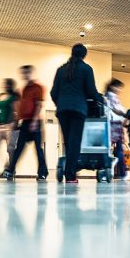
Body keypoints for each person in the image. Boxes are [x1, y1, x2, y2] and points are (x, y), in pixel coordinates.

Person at [50, 43, 103, 183]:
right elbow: (91, 91)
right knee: (74, 142)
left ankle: (69, 172)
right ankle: (70, 175)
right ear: (84, 55)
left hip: (62, 110)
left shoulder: (61, 70)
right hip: (78, 109)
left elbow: (53, 92)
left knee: (68, 142)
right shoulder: (86, 69)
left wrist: (60, 103)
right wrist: (101, 99)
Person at [3, 65, 48, 181]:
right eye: (23, 74)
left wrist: (34, 121)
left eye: (27, 73)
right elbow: (21, 108)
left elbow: (38, 105)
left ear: (31, 73)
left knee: (38, 148)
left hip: (35, 122)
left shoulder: (38, 87)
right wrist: (17, 121)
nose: (25, 76)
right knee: (19, 148)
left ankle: (43, 172)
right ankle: (11, 170)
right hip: (25, 122)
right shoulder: (23, 89)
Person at [0, 78, 20, 168]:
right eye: (4, 84)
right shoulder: (1, 97)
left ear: (11, 86)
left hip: (10, 125)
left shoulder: (13, 97)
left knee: (10, 148)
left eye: (7, 84)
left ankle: (11, 167)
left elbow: (16, 110)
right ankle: (6, 165)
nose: (5, 86)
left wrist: (16, 123)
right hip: (0, 126)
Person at [105, 78, 127, 180]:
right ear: (113, 87)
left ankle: (106, 170)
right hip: (114, 124)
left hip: (110, 124)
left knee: (108, 149)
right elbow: (115, 108)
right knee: (119, 150)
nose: (120, 90)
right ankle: (122, 173)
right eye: (118, 87)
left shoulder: (106, 95)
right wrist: (125, 113)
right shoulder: (111, 96)